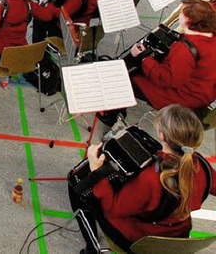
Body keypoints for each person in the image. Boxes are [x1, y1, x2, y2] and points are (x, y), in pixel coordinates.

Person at [69, 104, 216, 254]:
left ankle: (92, 249)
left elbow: (112, 209)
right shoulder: (201, 165)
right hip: (178, 235)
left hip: (140, 240)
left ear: (162, 136)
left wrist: (97, 172)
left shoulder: (151, 178)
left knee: (77, 183)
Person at [129, 0, 216, 112]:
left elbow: (167, 79)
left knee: (128, 80)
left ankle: (111, 115)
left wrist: (144, 57)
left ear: (188, 20)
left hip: (186, 97)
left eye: (182, 13)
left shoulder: (186, 49)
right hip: (205, 91)